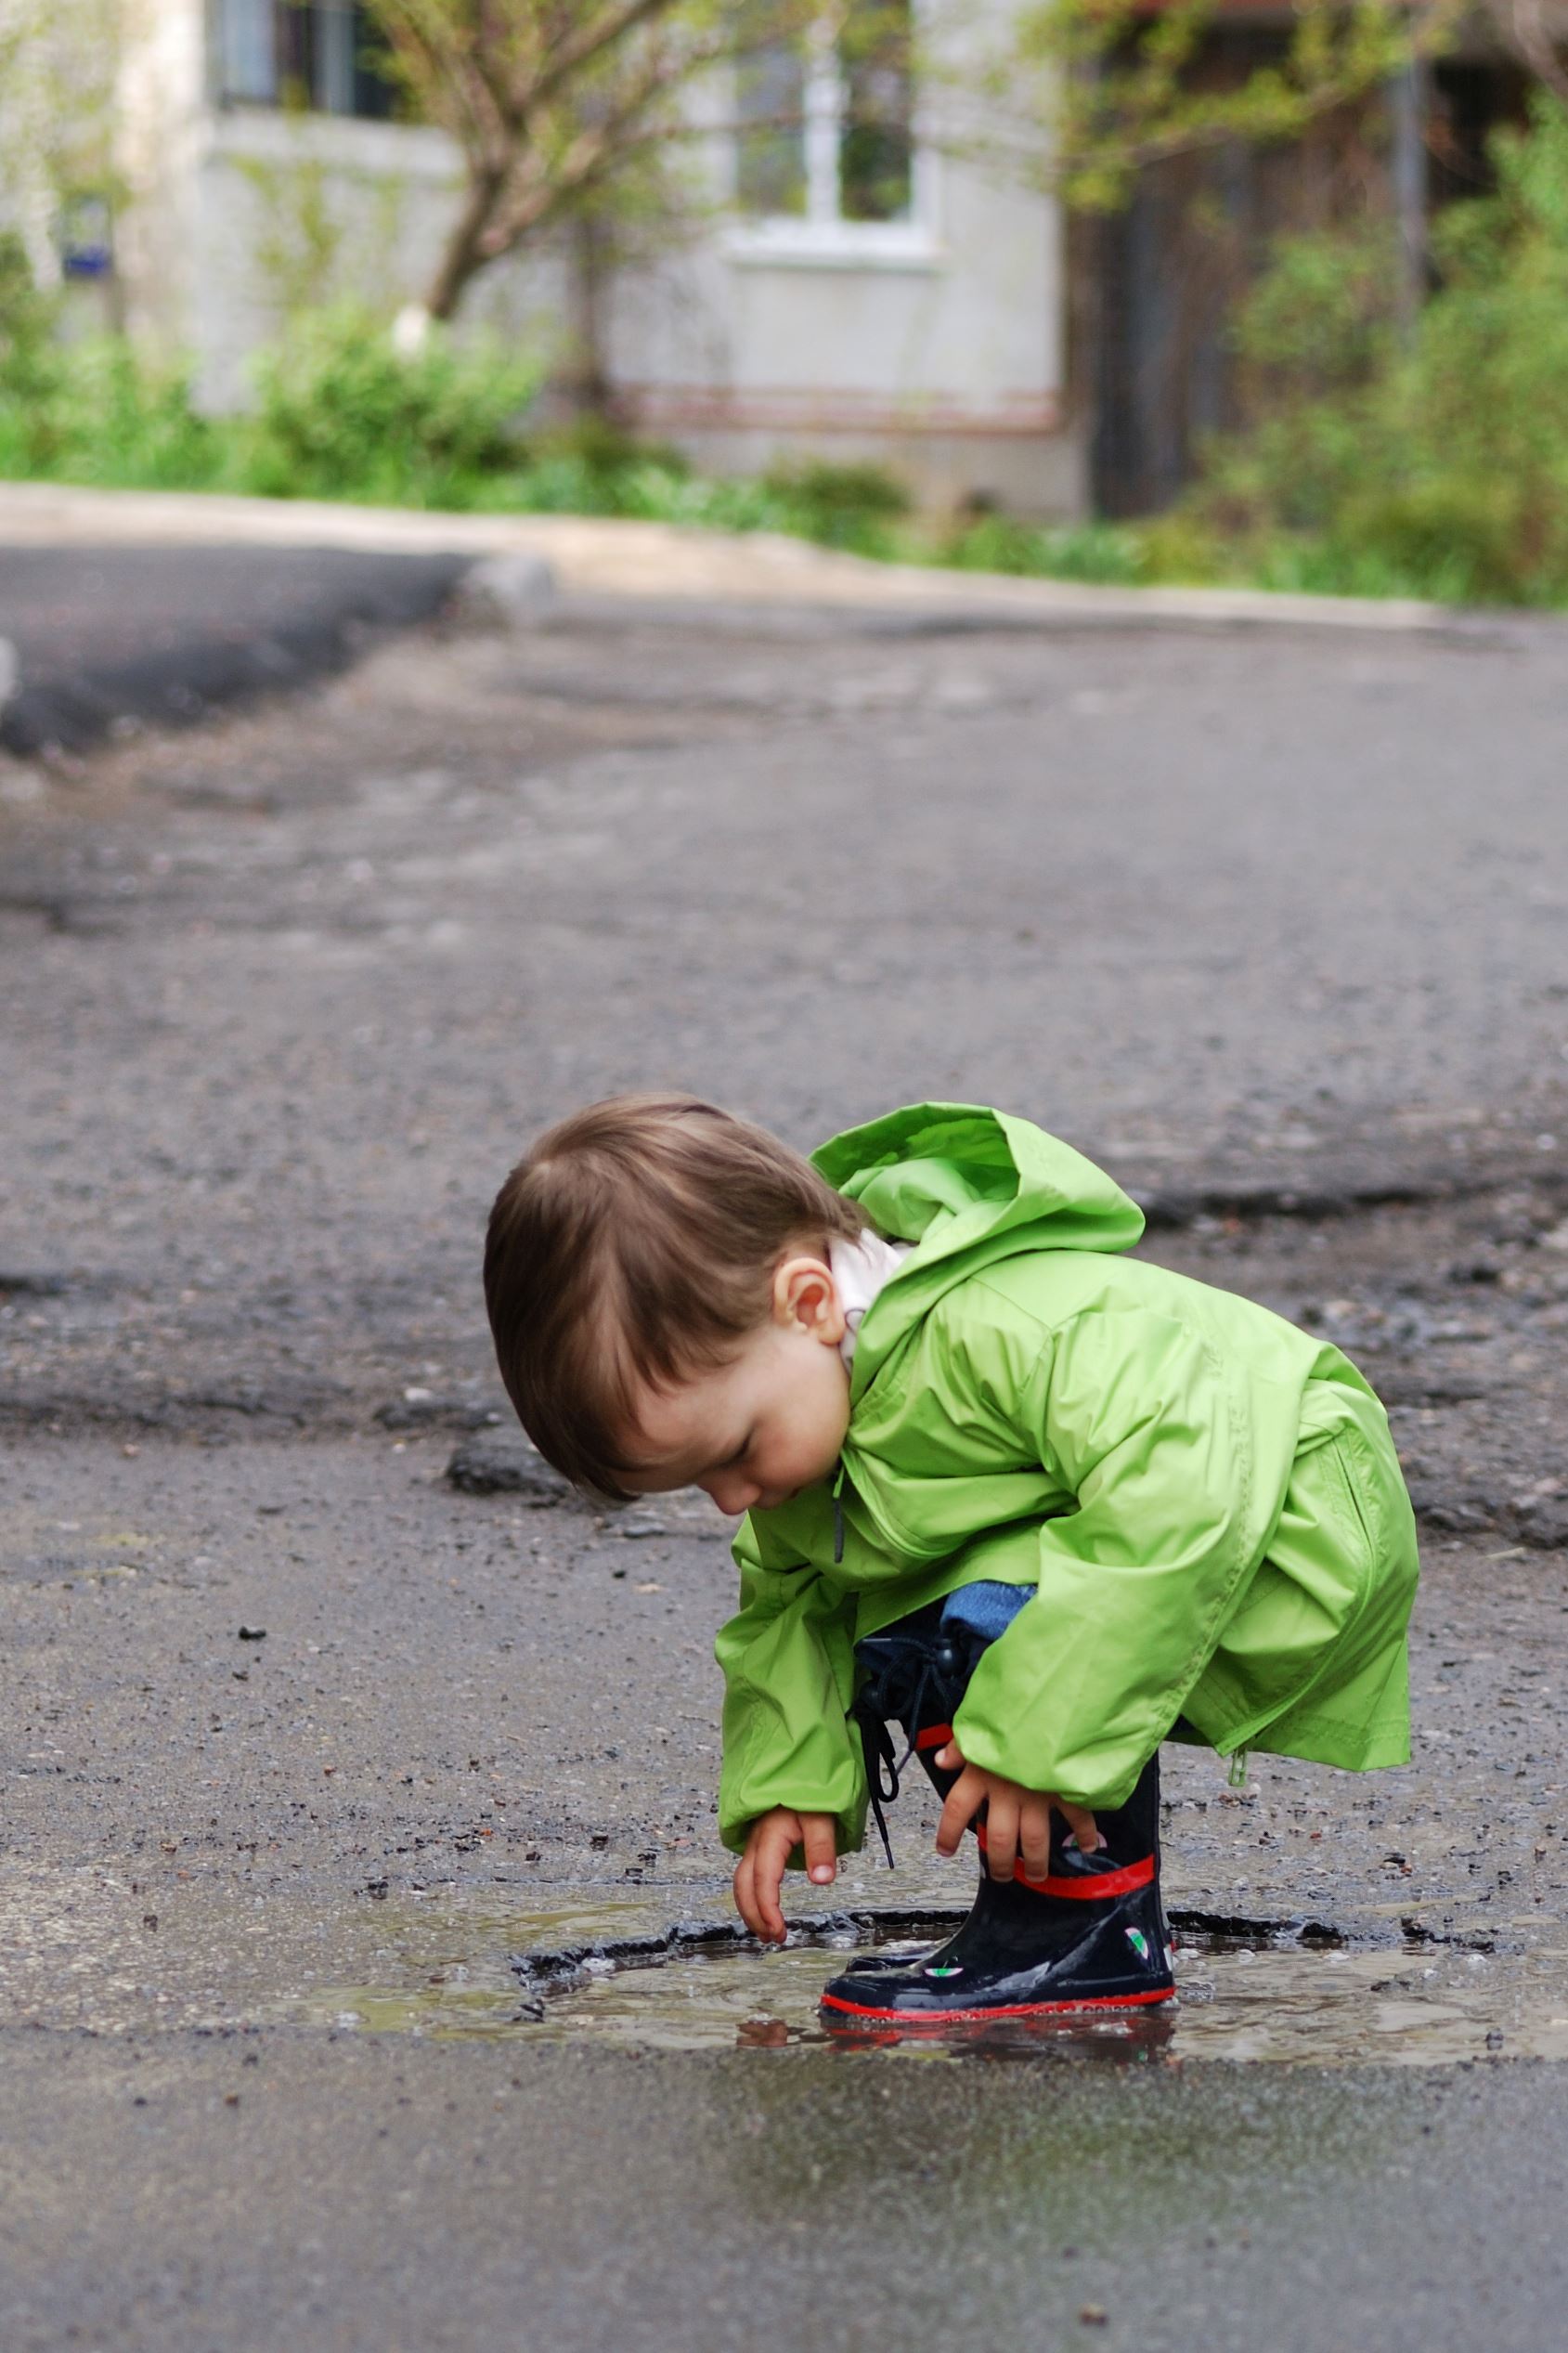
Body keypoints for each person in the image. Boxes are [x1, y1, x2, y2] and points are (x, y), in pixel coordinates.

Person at [483, 1095, 1419, 2024]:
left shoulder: (998, 1327)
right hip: (1189, 1530)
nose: (731, 1498)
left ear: (807, 1303)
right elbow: (790, 1605)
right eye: (697, 1481)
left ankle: (1082, 1935)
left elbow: (1178, 1498)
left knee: (944, 1624)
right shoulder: (824, 1392)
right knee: (896, 1608)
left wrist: (1036, 1734)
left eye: (732, 1450)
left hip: (1294, 1519)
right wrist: (789, 1785)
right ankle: (1052, 1920)